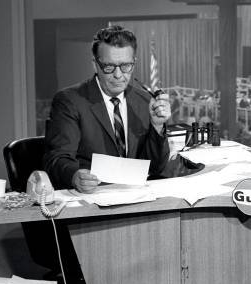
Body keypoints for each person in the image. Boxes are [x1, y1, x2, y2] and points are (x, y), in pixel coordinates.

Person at [43, 25, 171, 193]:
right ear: (95, 65)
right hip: (92, 199)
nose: (118, 75)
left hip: (136, 197)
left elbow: (155, 167)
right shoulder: (69, 101)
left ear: (134, 63)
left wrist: (157, 127)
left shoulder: (144, 101)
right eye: (109, 67)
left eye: (126, 66)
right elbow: (57, 158)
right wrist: (75, 176)